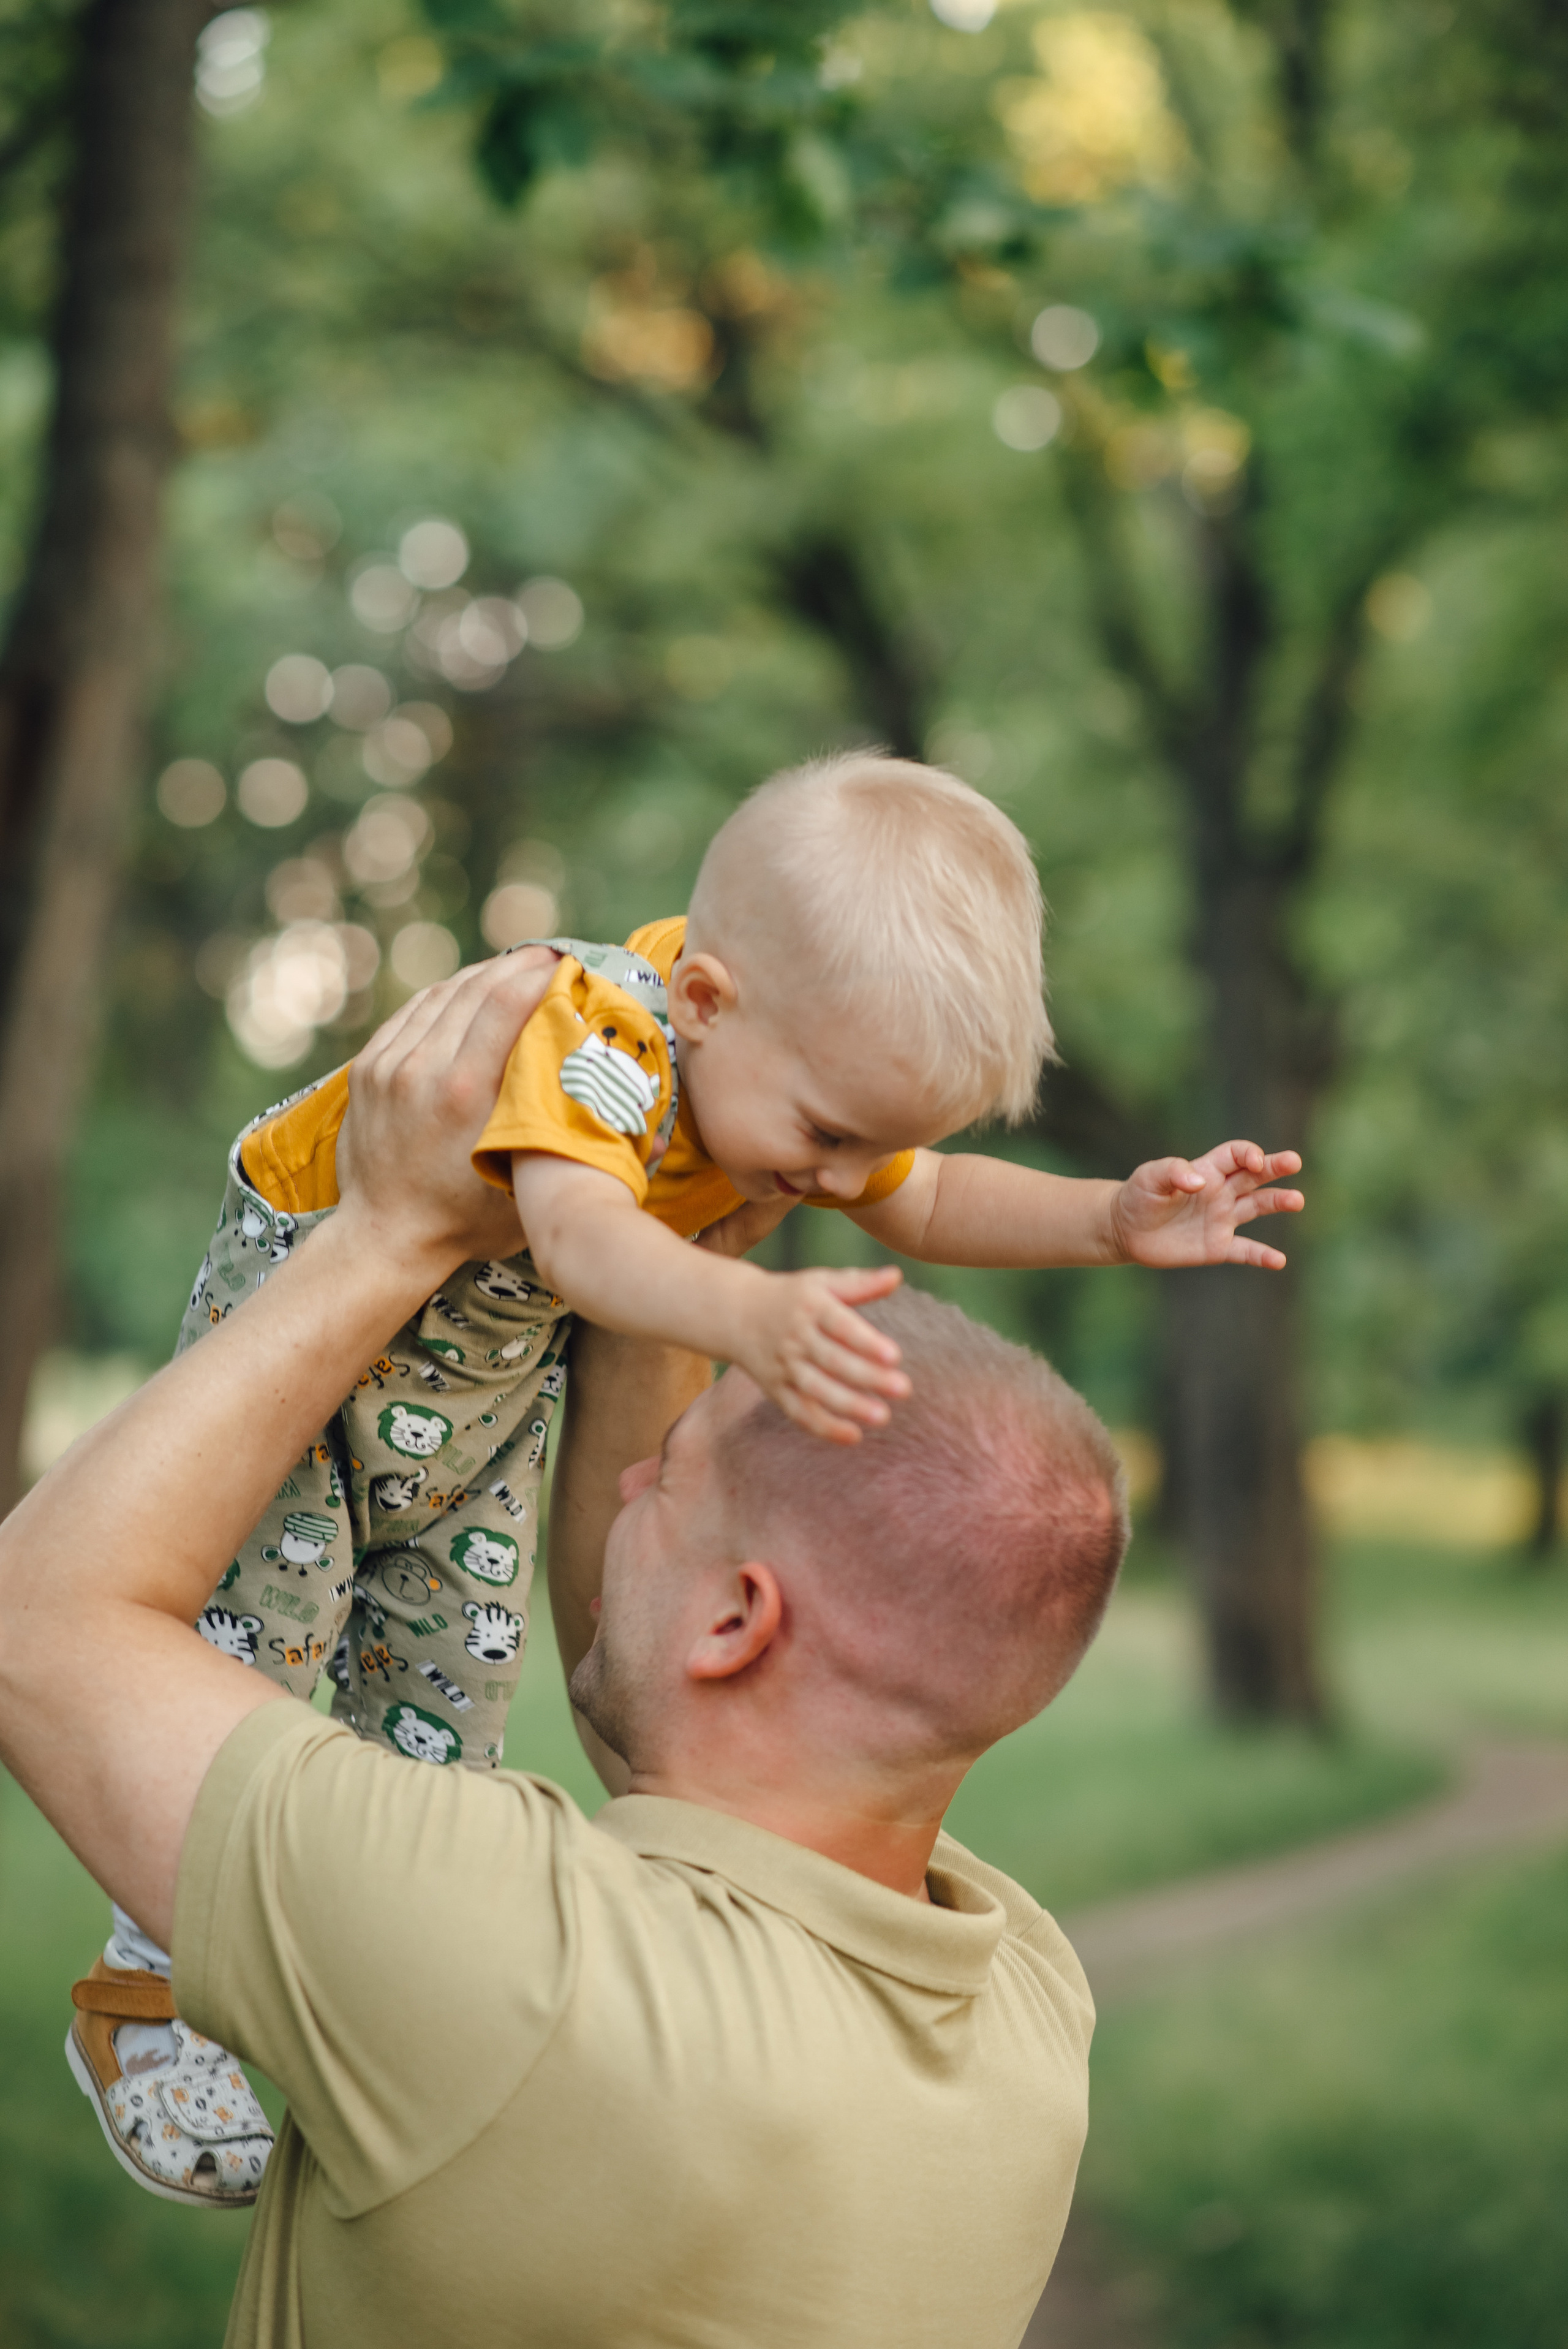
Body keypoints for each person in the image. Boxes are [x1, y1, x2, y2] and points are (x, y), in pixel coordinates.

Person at [72, 751, 1305, 2203]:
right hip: (312, 1332)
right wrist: (744, 1316)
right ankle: (143, 2004)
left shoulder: (787, 1083)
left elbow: (933, 1193)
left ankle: (346, 2030)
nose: (841, 1185)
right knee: (255, 1660)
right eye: (830, 1141)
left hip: (471, 1383)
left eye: (876, 1148)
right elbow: (584, 1241)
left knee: (443, 1710)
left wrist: (1110, 1219)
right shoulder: (601, 1036)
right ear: (709, 1002)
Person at [0, 959, 1133, 2347]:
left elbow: (36, 1625)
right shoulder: (1026, 2013)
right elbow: (681, 1746)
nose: (620, 1489)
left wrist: (390, 1235)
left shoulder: (509, 1956)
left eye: (673, 1475)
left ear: (738, 1622)